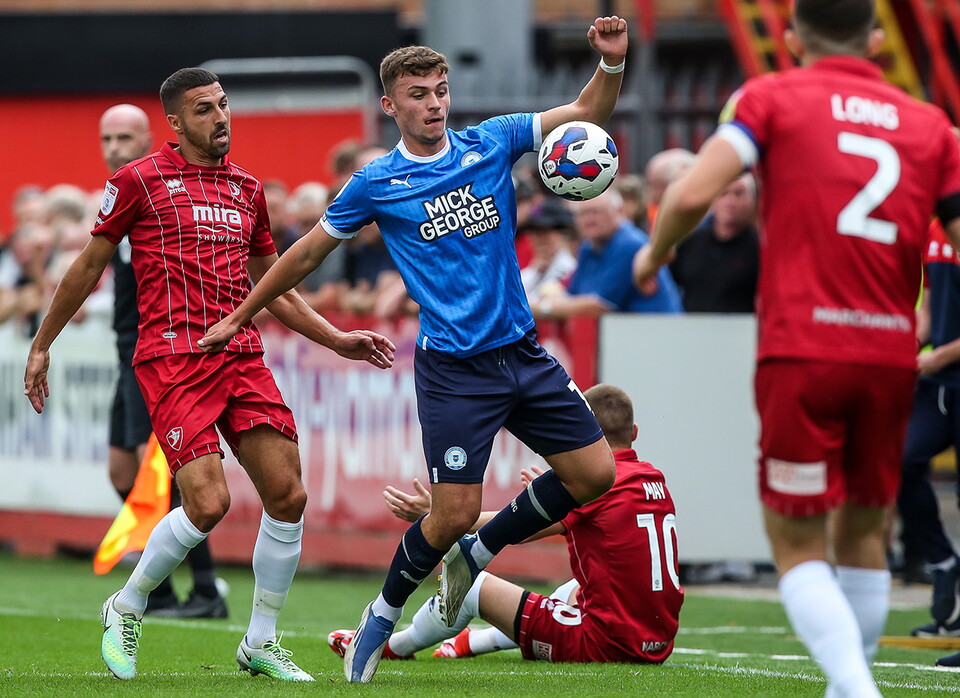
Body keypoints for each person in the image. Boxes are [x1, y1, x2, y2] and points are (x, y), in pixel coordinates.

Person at [198, 16, 629, 684]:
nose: (433, 103)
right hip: (455, 370)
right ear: (390, 105)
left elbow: (584, 116)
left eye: (440, 90)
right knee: (449, 509)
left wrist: (610, 64)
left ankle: (478, 551)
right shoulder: (376, 183)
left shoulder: (491, 142)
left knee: (595, 476)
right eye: (419, 93)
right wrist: (241, 315)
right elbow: (305, 254)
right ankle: (382, 615)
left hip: (522, 353)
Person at [23, 67, 395, 682]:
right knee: (208, 502)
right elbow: (88, 267)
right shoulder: (137, 181)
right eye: (203, 109)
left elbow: (272, 284)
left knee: (289, 494)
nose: (220, 118)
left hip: (242, 355)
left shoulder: (247, 188)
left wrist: (335, 338)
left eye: (223, 105)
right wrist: (42, 346)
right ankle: (128, 602)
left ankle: (261, 641)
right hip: (173, 359)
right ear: (174, 121)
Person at [632, 1, 960, 694]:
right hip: (889, 355)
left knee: (796, 542)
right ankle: (849, 687)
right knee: (866, 534)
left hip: (804, 348)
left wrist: (656, 251)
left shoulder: (770, 97)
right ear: (874, 37)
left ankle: (857, 688)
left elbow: (694, 191)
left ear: (789, 36)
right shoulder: (933, 126)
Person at [328, 383, 684, 665]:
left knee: (469, 585)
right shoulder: (652, 477)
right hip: (657, 640)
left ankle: (393, 646)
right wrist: (547, 502)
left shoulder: (597, 486)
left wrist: (441, 513)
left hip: (605, 644)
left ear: (585, 430)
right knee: (569, 591)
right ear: (634, 432)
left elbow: (515, 529)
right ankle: (476, 640)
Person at [99, 103, 229, 619]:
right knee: (122, 471)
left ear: (149, 136)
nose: (114, 148)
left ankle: (200, 590)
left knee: (175, 475)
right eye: (107, 138)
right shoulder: (120, 193)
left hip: (155, 349)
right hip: (123, 349)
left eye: (125, 137)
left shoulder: (153, 193)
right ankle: (174, 585)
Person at [900, 216, 960, 661]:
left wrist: (939, 355)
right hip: (940, 384)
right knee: (899, 462)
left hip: (946, 369)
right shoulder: (936, 228)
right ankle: (943, 563)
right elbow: (929, 300)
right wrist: (912, 342)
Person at [530, 187, 683, 320]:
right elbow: (573, 295)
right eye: (582, 214)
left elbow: (598, 306)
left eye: (595, 212)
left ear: (619, 211)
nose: (588, 220)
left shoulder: (629, 244)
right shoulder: (588, 247)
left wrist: (539, 309)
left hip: (656, 336)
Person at [668, 173, 759, 313]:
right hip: (692, 329)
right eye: (723, 193)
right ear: (713, 200)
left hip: (742, 330)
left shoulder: (759, 247)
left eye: (738, 194)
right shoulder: (690, 241)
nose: (730, 202)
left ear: (752, 200)